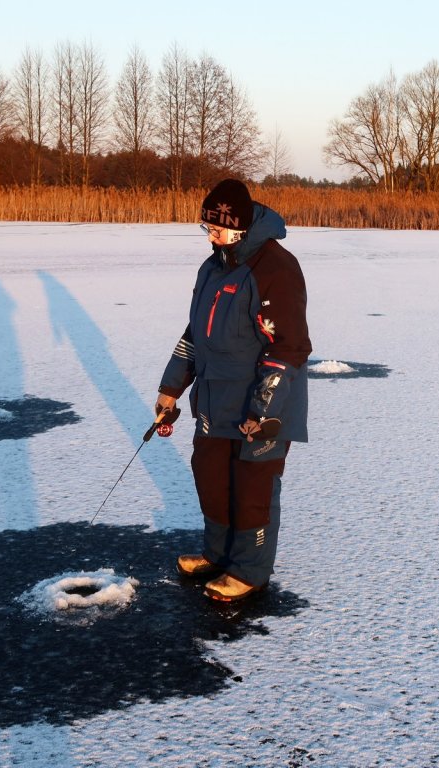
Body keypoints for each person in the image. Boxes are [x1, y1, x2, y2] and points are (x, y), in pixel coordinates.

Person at [155, 178, 311, 602]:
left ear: (241, 228)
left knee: (251, 487)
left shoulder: (276, 269)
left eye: (218, 229)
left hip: (262, 404)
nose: (211, 236)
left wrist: (262, 409)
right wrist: (171, 388)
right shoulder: (213, 267)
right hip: (214, 398)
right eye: (206, 227)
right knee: (211, 477)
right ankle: (218, 554)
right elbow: (195, 333)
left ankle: (249, 570)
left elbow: (289, 348)